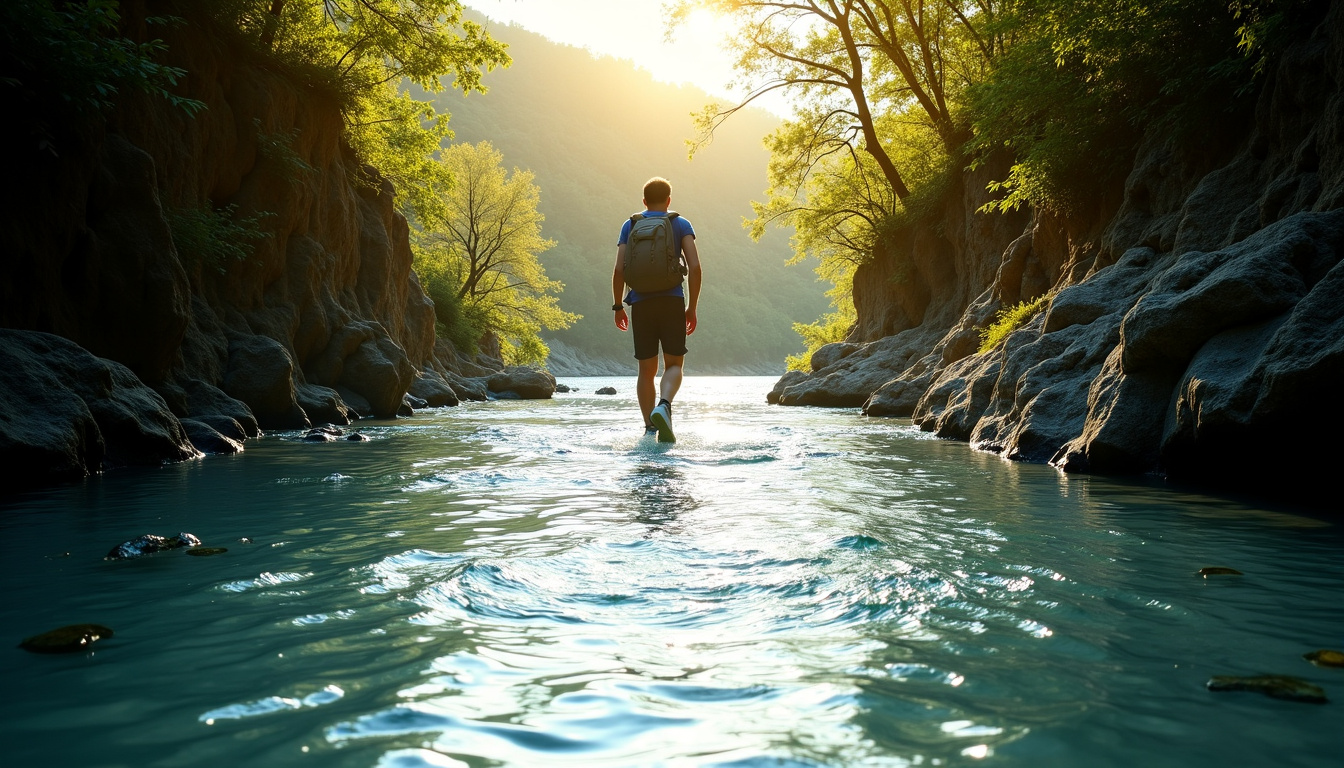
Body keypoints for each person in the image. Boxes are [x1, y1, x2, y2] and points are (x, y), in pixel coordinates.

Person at [612, 177, 701, 442]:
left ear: (644, 201)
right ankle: (664, 405)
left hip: (640, 303)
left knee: (646, 369)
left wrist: (618, 306)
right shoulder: (680, 223)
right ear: (669, 200)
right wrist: (691, 307)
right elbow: (695, 268)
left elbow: (619, 270)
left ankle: (650, 425)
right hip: (672, 300)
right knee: (673, 364)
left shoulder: (631, 225)